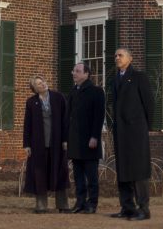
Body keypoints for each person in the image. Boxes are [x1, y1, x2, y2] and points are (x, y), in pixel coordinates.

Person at [110, 47, 154, 221]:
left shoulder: (139, 77)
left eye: (120, 55)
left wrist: (146, 128)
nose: (117, 58)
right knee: (123, 169)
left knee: (139, 170)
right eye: (115, 55)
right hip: (120, 132)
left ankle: (144, 209)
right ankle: (127, 207)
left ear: (130, 58)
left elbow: (149, 103)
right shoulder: (115, 80)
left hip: (136, 131)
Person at [22, 75, 71, 214]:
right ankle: (41, 206)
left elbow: (65, 121)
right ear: (34, 89)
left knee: (60, 172)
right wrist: (27, 144)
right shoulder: (31, 102)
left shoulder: (58, 97)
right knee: (39, 174)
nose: (42, 84)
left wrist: (66, 140)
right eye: (38, 84)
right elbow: (27, 125)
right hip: (38, 144)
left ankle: (63, 205)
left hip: (57, 143)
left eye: (42, 81)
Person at [67, 62, 106, 214]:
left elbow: (99, 116)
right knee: (77, 176)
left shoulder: (96, 92)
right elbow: (68, 117)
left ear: (86, 74)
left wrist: (95, 136)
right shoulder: (73, 91)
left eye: (77, 71)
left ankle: (92, 204)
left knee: (91, 176)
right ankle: (80, 202)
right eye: (73, 71)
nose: (74, 73)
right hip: (75, 141)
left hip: (90, 140)